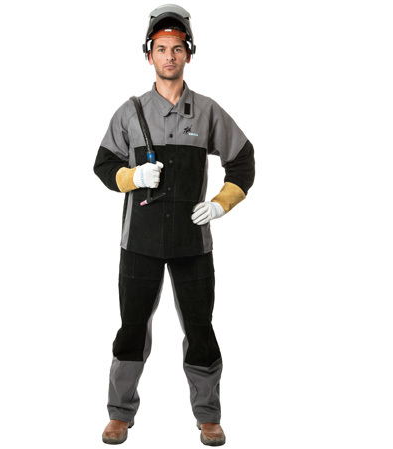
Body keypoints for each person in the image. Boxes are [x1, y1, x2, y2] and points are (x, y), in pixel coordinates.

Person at [93, 4, 255, 446]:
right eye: (162, 48)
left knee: (200, 329)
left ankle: (208, 416)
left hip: (192, 243)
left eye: (178, 48)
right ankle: (119, 414)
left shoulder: (207, 112)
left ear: (189, 54)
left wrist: (221, 204)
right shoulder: (129, 113)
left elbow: (243, 159)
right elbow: (103, 165)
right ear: (149, 54)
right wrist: (132, 177)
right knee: (131, 328)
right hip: (139, 242)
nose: (170, 56)